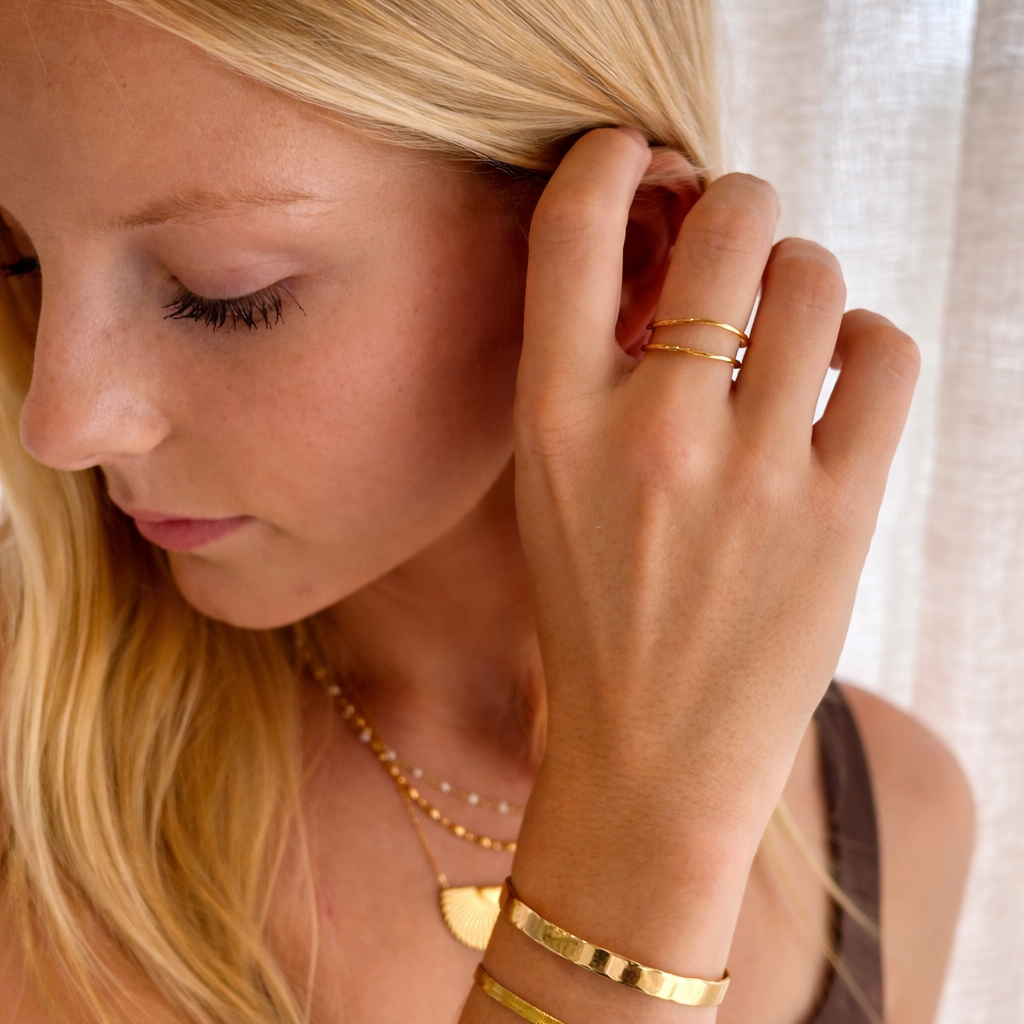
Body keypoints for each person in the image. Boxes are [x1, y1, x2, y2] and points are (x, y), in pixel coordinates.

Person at [0, 2, 974, 1022]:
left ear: (629, 255)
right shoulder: (32, 794)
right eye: (18, 257)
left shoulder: (895, 814)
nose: (59, 425)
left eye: (223, 293)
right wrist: (636, 848)